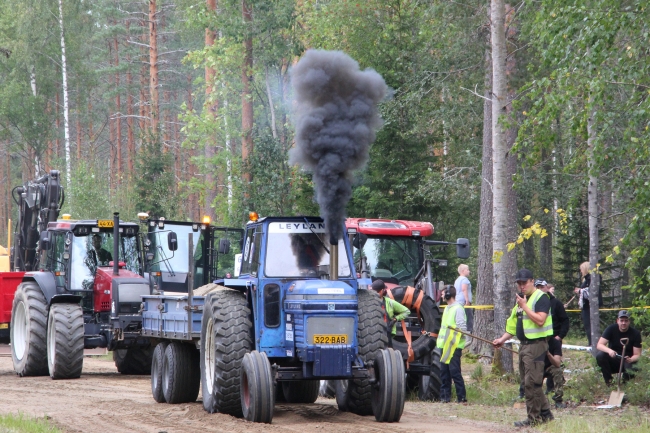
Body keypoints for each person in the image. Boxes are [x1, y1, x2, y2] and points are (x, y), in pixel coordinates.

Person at [493, 269, 554, 427]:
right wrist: (502, 339)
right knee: (531, 382)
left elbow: (540, 320)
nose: (521, 286)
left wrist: (525, 306)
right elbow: (513, 325)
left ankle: (533, 419)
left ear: (532, 281)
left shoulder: (541, 298)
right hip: (524, 346)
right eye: (519, 283)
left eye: (524, 282)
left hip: (537, 345)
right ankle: (546, 414)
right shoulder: (521, 301)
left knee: (531, 383)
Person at [535, 280, 569, 401]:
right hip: (536, 339)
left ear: (547, 288)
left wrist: (559, 336)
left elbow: (565, 320)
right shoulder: (532, 303)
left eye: (542, 287)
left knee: (555, 367)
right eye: (537, 287)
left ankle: (553, 390)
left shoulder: (556, 303)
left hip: (553, 339)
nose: (540, 289)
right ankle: (524, 392)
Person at [436, 285, 467, 403]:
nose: (442, 295)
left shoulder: (458, 308)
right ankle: (445, 397)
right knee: (444, 372)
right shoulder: (447, 308)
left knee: (454, 372)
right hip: (444, 345)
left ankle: (462, 397)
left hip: (454, 346)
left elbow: (462, 328)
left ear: (449, 294)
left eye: (443, 293)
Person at [595, 310, 643, 386]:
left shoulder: (635, 334)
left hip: (628, 360)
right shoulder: (611, 329)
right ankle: (609, 383)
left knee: (633, 367)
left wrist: (631, 359)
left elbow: (637, 354)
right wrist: (609, 351)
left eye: (626, 321)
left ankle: (624, 386)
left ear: (629, 321)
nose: (623, 323)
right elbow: (599, 345)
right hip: (614, 358)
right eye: (621, 320)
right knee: (600, 356)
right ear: (617, 321)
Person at [574, 261, 603, 345]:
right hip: (586, 306)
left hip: (590, 306)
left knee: (590, 325)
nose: (581, 271)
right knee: (588, 325)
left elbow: (591, 292)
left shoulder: (591, 278)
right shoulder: (587, 279)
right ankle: (591, 342)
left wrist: (580, 290)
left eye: (581, 269)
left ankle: (593, 343)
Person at [454, 264, 473, 332]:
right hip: (464, 302)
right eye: (467, 270)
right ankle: (468, 334)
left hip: (457, 301)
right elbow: (464, 289)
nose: (469, 271)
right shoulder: (465, 279)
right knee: (468, 318)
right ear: (463, 271)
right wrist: (467, 300)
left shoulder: (457, 280)